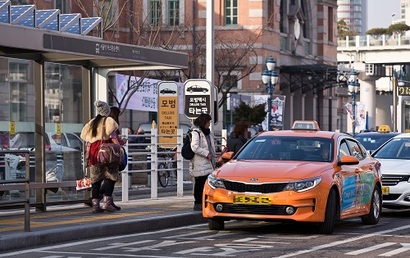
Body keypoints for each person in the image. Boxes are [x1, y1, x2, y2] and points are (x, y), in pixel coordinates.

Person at [80, 101, 126, 213]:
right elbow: (113, 138)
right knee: (111, 177)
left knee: (96, 180)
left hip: (93, 154)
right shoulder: (109, 121)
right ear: (107, 111)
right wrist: (121, 146)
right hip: (106, 153)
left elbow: (86, 140)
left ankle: (95, 205)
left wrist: (87, 154)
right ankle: (107, 203)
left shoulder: (91, 123)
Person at [189, 113, 216, 211]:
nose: (209, 124)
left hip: (208, 162)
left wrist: (214, 157)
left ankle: (204, 202)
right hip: (200, 162)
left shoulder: (208, 133)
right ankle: (198, 203)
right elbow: (194, 147)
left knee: (207, 182)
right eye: (208, 122)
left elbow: (211, 148)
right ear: (203, 122)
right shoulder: (196, 132)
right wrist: (206, 153)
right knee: (200, 182)